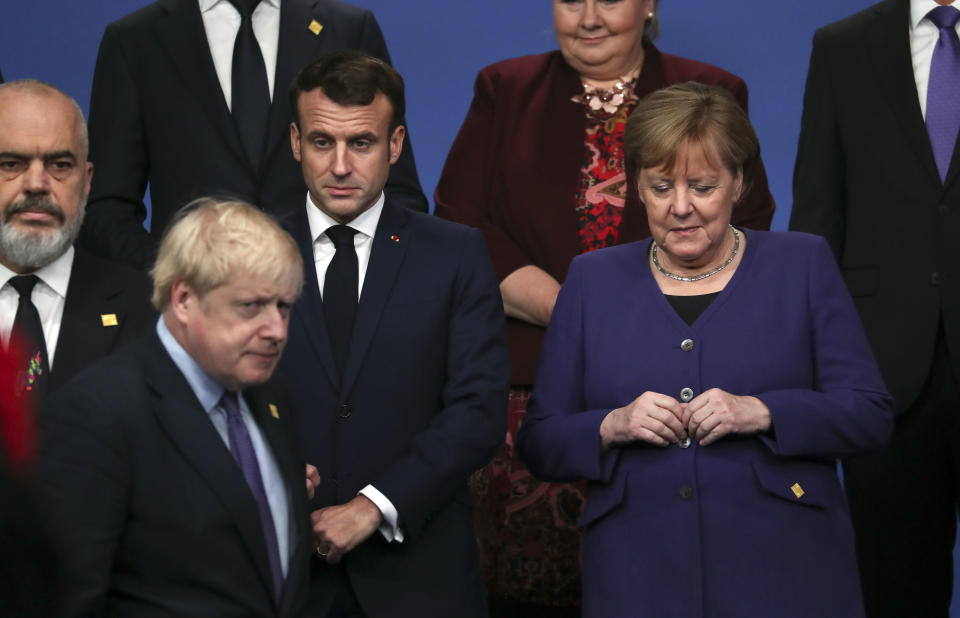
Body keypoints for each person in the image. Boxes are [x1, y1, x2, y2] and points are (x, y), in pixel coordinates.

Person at [433, 1, 776, 613]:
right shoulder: (503, 88)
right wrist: (575, 313)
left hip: (680, 397)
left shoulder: (713, 91)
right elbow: (464, 226)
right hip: (528, 400)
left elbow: (746, 225)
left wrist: (632, 326)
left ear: (649, 5)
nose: (589, 16)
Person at [516, 82, 893, 618]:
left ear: (739, 183)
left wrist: (762, 411)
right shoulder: (591, 280)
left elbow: (870, 416)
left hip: (787, 571)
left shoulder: (802, 264)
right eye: (661, 186)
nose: (681, 208)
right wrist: (612, 424)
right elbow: (541, 442)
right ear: (635, 188)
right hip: (637, 575)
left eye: (703, 185)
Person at [279, 51, 509, 617]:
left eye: (361, 143)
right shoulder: (246, 252)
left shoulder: (455, 254)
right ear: (294, 142)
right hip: (282, 575)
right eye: (321, 142)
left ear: (396, 145)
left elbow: (477, 412)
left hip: (421, 580)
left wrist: (373, 506)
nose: (339, 166)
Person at [39, 198, 312, 617]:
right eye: (251, 306)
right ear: (184, 298)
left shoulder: (273, 397)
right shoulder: (98, 412)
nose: (276, 330)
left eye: (284, 307)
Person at [790, 1, 960, 615]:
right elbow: (817, 210)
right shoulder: (842, 45)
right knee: (894, 592)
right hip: (880, 368)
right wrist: (816, 365)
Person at [81, 0, 428, 271]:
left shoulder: (348, 28)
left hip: (331, 308)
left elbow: (399, 191)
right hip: (195, 321)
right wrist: (172, 274)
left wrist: (356, 275)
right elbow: (106, 208)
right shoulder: (135, 41)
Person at [0, 80, 154, 406]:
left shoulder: (151, 312)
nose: (37, 184)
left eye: (60, 166)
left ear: (87, 182)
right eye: (11, 164)